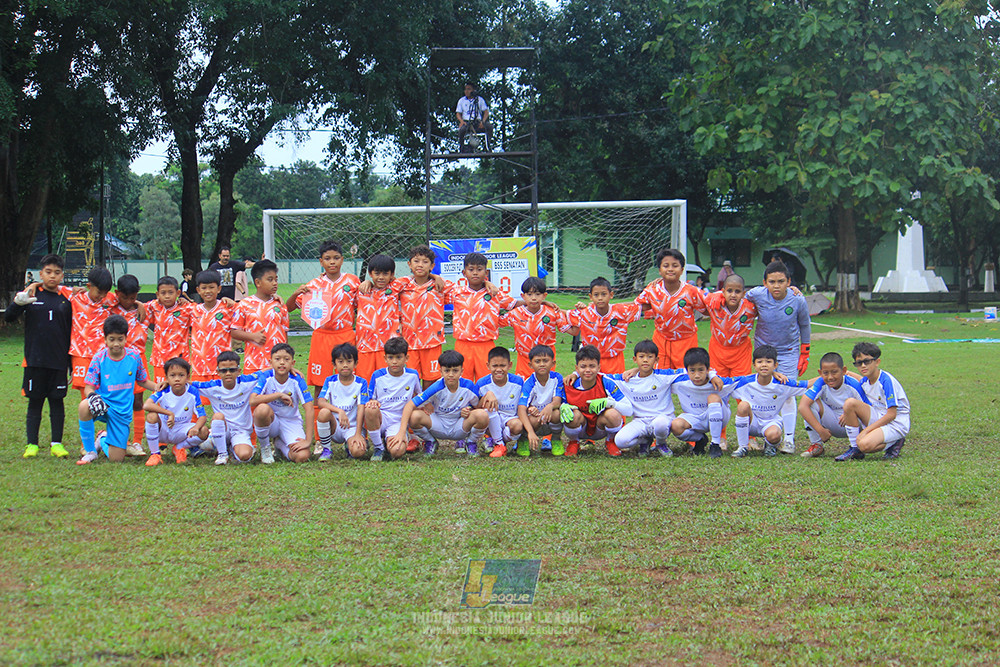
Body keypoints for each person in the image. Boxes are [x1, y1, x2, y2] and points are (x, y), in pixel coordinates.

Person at [6, 254, 73, 459]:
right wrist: (18, 303)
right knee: (35, 402)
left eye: (57, 272)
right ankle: (31, 444)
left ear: (62, 275)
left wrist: (70, 364)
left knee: (56, 402)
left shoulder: (67, 299)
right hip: (35, 360)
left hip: (59, 362)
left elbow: (72, 332)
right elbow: (9, 318)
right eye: (48, 272)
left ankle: (57, 444)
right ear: (41, 273)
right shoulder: (31, 294)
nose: (52, 276)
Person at [744, 261, 811, 453]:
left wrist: (804, 352)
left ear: (788, 282)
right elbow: (737, 293)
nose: (776, 286)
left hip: (788, 352)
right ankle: (763, 431)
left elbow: (805, 325)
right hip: (764, 353)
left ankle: (789, 440)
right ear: (764, 283)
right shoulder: (756, 294)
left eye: (781, 281)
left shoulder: (797, 299)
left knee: (788, 393)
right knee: (762, 392)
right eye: (772, 281)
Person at [76, 315, 159, 464]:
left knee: (116, 459)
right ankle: (90, 452)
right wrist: (93, 397)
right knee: (84, 406)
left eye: (120, 339)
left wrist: (158, 387)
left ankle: (102, 439)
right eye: (112, 339)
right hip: (102, 405)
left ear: (126, 338)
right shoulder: (99, 358)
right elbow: (89, 387)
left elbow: (142, 380)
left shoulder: (134, 357)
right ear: (105, 339)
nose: (116, 343)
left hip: (122, 411)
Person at [287, 241, 359, 393]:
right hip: (322, 337)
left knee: (348, 377)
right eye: (327, 258)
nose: (332, 261)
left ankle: (348, 414)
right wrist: (295, 294)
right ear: (321, 261)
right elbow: (288, 308)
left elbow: (362, 306)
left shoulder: (352, 281)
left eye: (336, 257)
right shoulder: (313, 285)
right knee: (321, 381)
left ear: (342, 259)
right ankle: (319, 416)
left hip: (345, 334)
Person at [394, 350, 488, 457]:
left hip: (460, 426)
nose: (451, 375)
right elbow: (409, 405)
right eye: (447, 371)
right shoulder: (436, 387)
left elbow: (478, 407)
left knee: (482, 415)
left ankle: (471, 442)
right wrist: (401, 433)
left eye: (455, 370)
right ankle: (430, 442)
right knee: (414, 416)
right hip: (439, 425)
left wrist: (471, 408)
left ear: (461, 371)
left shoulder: (468, 386)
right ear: (441, 371)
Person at [606, 340, 685, 457]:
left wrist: (713, 376)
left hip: (662, 418)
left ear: (656, 360)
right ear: (635, 359)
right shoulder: (627, 379)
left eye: (650, 357)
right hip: (640, 421)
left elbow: (690, 370)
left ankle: (661, 443)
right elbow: (600, 377)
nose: (645, 360)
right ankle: (645, 441)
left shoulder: (664, 376)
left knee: (660, 424)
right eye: (641, 357)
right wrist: (575, 374)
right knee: (620, 441)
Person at [730, 345, 809, 458]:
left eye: (768, 361)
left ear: (775, 365)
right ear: (754, 365)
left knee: (774, 435)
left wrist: (827, 377)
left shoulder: (782, 383)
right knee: (743, 406)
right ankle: (743, 447)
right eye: (760, 362)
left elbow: (807, 384)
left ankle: (770, 445)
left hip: (770, 422)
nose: (764, 365)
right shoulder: (745, 381)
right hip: (752, 422)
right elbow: (722, 383)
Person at [635, 248, 707, 370]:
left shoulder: (691, 291)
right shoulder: (653, 289)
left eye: (675, 265)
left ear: (682, 269)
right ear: (659, 270)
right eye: (666, 265)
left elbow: (708, 308)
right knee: (660, 379)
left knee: (686, 379)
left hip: (686, 342)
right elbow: (636, 306)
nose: (670, 269)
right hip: (661, 341)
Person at [837, 342, 910, 461]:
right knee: (849, 403)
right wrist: (846, 413)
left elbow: (892, 414)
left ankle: (895, 441)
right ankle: (854, 449)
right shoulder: (866, 381)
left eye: (867, 361)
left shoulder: (886, 381)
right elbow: (855, 377)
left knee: (864, 444)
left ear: (877, 362)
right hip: (879, 415)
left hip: (896, 422)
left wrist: (865, 431)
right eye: (859, 363)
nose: (863, 366)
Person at [450, 252, 516, 381]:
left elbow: (514, 304)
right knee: (462, 381)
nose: (475, 273)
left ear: (486, 273)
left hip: (486, 344)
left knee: (486, 381)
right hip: (463, 344)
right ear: (464, 273)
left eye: (479, 270)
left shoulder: (494, 293)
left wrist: (543, 303)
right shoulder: (456, 293)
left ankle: (486, 401)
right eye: (471, 269)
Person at [561, 344, 634, 457]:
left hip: (600, 428)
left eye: (592, 366)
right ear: (576, 368)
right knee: (571, 414)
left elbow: (629, 410)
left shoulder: (606, 382)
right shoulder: (569, 384)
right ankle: (574, 442)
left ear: (599, 367)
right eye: (583, 366)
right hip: (580, 427)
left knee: (613, 413)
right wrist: (562, 406)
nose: (588, 370)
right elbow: (557, 404)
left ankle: (610, 441)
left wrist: (609, 403)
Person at [190, 351, 261, 465]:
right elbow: (188, 384)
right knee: (217, 416)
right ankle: (222, 454)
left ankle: (230, 448)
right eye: (223, 370)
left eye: (232, 370)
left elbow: (267, 373)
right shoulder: (212, 386)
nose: (228, 373)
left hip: (240, 431)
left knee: (244, 456)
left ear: (239, 371)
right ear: (218, 372)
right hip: (222, 428)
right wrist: (168, 382)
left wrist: (291, 369)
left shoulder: (247, 382)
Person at [798, 351, 871, 459]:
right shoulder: (821, 383)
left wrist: (849, 414)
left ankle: (857, 446)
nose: (830, 377)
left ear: (844, 371)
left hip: (856, 425)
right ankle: (817, 445)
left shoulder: (853, 384)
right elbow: (802, 406)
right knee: (810, 403)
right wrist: (820, 430)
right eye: (826, 373)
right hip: (833, 425)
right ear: (820, 372)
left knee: (854, 406)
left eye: (834, 372)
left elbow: (868, 410)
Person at [563, 277, 642, 374]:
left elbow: (645, 304)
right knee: (592, 388)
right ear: (590, 296)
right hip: (591, 361)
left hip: (615, 360)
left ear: (611, 295)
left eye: (604, 294)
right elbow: (561, 313)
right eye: (596, 295)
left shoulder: (622, 311)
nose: (600, 298)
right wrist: (545, 304)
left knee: (614, 387)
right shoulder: (584, 313)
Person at [250, 343, 314, 464]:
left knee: (302, 456)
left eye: (286, 359)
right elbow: (252, 400)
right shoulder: (266, 376)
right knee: (262, 409)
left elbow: (309, 408)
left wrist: (308, 440)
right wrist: (278, 395)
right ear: (271, 362)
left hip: (290, 421)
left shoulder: (296, 379)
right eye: (277, 359)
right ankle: (265, 448)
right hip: (271, 421)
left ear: (293, 363)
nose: (282, 363)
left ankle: (280, 445)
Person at [668, 347, 737, 459]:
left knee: (713, 397)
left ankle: (715, 444)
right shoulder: (680, 382)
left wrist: (771, 373)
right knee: (676, 426)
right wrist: (635, 371)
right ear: (687, 370)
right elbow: (655, 374)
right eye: (692, 370)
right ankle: (700, 439)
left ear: (708, 370)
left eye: (701, 370)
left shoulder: (718, 382)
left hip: (719, 416)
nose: (697, 375)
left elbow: (745, 380)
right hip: (694, 418)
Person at [110, 274, 150, 456]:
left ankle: (137, 442)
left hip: (137, 360)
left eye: (133, 298)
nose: (128, 301)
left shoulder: (143, 309)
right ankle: (120, 441)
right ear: (117, 293)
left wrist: (140, 304)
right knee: (118, 402)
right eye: (124, 297)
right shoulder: (109, 307)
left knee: (137, 402)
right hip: (116, 362)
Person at [142, 357, 207, 466]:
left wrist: (196, 428)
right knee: (151, 416)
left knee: (204, 431)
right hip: (163, 429)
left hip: (181, 430)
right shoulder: (164, 390)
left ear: (187, 376)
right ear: (166, 377)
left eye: (181, 375)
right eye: (173, 375)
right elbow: (147, 405)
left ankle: (179, 448)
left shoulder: (192, 392)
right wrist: (169, 413)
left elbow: (203, 416)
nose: (177, 379)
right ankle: (155, 455)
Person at [500, 277, 568, 378]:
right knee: (524, 390)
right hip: (524, 360)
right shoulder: (515, 314)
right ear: (523, 296)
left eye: (537, 294)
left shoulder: (552, 313)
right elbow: (495, 321)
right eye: (529, 294)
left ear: (544, 296)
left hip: (546, 359)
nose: (534, 298)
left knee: (545, 388)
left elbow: (573, 331)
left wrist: (581, 311)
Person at [364, 337, 421, 460]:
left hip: (399, 420)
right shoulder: (377, 375)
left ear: (406, 358)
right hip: (382, 417)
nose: (394, 362)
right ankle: (379, 448)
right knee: (369, 409)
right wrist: (372, 402)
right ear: (385, 358)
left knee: (397, 452)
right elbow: (369, 399)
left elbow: (419, 396)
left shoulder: (412, 375)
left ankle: (397, 438)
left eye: (399, 357)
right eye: (390, 358)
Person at [231, 259, 289, 374]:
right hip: (254, 364)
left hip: (277, 366)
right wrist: (252, 336)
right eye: (270, 280)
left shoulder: (280, 305)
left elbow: (285, 333)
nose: (275, 283)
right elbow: (234, 331)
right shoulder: (244, 305)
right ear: (258, 282)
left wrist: (286, 358)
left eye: (276, 279)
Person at [315, 343, 370, 461]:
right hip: (335, 425)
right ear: (334, 364)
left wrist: (358, 433)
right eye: (340, 362)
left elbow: (361, 408)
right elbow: (320, 402)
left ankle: (349, 445)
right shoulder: (330, 381)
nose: (345, 365)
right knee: (324, 412)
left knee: (358, 452)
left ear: (355, 363)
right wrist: (339, 411)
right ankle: (326, 449)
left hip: (352, 427)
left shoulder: (361, 383)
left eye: (349, 361)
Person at [68, 267, 116, 398]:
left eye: (105, 293)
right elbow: (54, 288)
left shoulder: (110, 299)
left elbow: (127, 300)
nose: (102, 296)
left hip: (103, 354)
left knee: (106, 389)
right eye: (99, 292)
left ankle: (107, 417)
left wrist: (139, 304)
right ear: (89, 286)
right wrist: (33, 284)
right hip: (81, 354)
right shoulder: (75, 297)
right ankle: (86, 418)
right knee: (86, 391)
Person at [354, 254, 401, 382]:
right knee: (365, 381)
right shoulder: (362, 291)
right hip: (365, 345)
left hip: (388, 347)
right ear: (370, 273)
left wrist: (434, 276)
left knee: (388, 381)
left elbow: (418, 278)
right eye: (377, 273)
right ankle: (365, 402)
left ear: (392, 275)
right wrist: (366, 282)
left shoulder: (396, 289)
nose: (381, 277)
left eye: (385, 274)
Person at [516, 345, 565, 457]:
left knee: (557, 413)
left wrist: (549, 406)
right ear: (530, 365)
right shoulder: (529, 383)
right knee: (531, 419)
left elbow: (557, 401)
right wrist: (530, 432)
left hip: (549, 418)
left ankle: (556, 439)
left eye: (545, 361)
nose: (542, 364)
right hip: (535, 420)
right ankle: (523, 440)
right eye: (537, 361)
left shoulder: (557, 378)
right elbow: (521, 409)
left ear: (553, 363)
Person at [476, 346, 525, 457]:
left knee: (517, 426)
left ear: (510, 365)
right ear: (488, 366)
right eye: (495, 366)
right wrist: (487, 395)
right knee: (488, 402)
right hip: (491, 418)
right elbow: (476, 408)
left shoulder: (518, 382)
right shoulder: (482, 383)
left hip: (509, 418)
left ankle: (496, 441)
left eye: (502, 365)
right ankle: (499, 444)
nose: (499, 369)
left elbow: (523, 403)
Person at [188, 270, 234, 383]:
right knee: (201, 400)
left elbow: (248, 307)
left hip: (223, 368)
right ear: (198, 290)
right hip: (200, 369)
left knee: (223, 400)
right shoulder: (192, 310)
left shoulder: (228, 308)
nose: (208, 291)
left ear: (219, 288)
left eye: (211, 287)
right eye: (204, 288)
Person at [144, 276, 192, 384]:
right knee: (161, 391)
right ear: (158, 294)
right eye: (163, 293)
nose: (167, 296)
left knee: (180, 390)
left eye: (170, 292)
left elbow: (203, 310)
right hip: (160, 359)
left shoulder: (186, 309)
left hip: (180, 358)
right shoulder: (154, 306)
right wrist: (138, 303)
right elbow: (136, 307)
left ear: (178, 293)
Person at [456, 82, 492, 151]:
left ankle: (487, 146)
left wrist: (483, 121)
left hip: (477, 122)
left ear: (473, 90)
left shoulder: (479, 99)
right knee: (462, 130)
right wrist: (461, 121)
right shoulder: (461, 100)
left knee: (489, 127)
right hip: (467, 122)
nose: (466, 91)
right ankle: (462, 147)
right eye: (465, 89)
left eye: (469, 89)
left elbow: (486, 112)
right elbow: (458, 113)